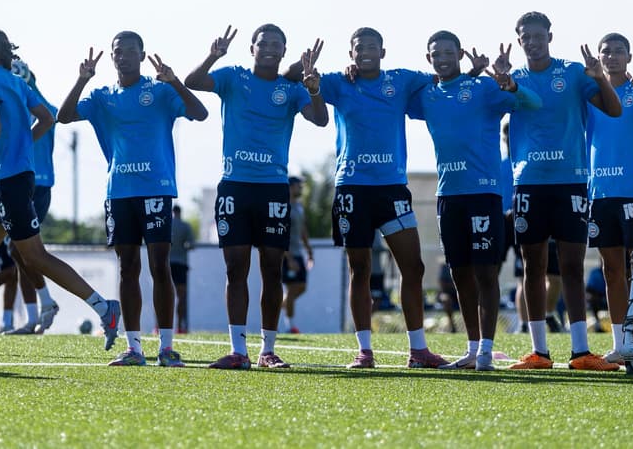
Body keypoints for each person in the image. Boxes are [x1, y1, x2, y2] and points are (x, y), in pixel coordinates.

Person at [291, 27, 473, 369]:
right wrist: (310, 84)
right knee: (360, 269)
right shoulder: (338, 82)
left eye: (372, 47)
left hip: (391, 188)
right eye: (359, 48)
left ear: (383, 52)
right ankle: (364, 350)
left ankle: (418, 350)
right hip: (352, 188)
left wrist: (474, 71)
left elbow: (442, 76)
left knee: (414, 266)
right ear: (351, 54)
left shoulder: (402, 80)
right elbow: (313, 106)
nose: (366, 53)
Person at [0, 29, 120, 355]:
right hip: (6, 180)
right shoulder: (19, 83)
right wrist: (20, 147)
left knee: (34, 256)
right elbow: (48, 118)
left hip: (8, 179)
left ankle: (104, 307)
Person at [58, 30, 208, 367]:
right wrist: (81, 79)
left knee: (159, 266)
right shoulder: (101, 96)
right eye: (117, 51)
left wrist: (175, 82)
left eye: (130, 51)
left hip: (156, 188)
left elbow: (200, 113)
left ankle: (167, 347)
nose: (123, 56)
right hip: (119, 192)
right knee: (127, 268)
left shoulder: (159, 91)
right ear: (111, 57)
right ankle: (134, 347)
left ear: (142, 56)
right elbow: (63, 116)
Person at [184, 24, 328, 370]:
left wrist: (314, 88)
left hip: (273, 189)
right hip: (235, 186)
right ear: (252, 48)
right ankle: (238, 351)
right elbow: (192, 81)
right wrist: (213, 55)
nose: (269, 49)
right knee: (236, 269)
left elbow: (321, 119)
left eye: (276, 45)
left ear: (283, 52)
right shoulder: (233, 77)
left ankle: (268, 350)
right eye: (263, 43)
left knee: (271, 270)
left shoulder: (290, 89)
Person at [407, 30, 542, 371]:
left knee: (486, 274)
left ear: (459, 53)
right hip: (447, 196)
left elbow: (531, 103)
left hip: (483, 195)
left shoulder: (483, 88)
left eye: (449, 52)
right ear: (429, 59)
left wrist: (507, 82)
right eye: (436, 53)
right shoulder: (427, 95)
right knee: (460, 276)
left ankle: (486, 349)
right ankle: (470, 350)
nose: (442, 58)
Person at [505, 12, 623, 371]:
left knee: (571, 267)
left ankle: (581, 351)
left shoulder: (573, 73)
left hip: (570, 181)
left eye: (539, 35)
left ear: (550, 37)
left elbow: (614, 109)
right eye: (527, 36)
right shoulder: (511, 79)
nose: (533, 41)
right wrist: (493, 83)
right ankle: (538, 352)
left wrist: (600, 77)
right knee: (533, 266)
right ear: (519, 39)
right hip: (528, 183)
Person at [585, 32, 633, 364]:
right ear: (598, 58)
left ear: (630, 56)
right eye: (606, 52)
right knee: (612, 270)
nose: (612, 56)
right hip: (600, 193)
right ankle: (621, 343)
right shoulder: (590, 95)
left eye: (618, 51)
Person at [1, 60, 61, 335]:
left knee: (23, 248)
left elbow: (49, 114)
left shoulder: (37, 105)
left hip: (37, 184)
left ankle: (49, 304)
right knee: (16, 251)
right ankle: (37, 312)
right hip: (18, 182)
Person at [281, 176, 314, 334]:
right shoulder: (284, 207)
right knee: (293, 289)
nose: (300, 188)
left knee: (301, 288)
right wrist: (288, 258)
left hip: (298, 253)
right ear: (290, 187)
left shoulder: (299, 206)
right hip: (288, 255)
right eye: (298, 186)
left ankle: (276, 305)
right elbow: (282, 234)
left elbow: (302, 230)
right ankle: (290, 326)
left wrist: (309, 250)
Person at [169, 204, 194, 334]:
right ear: (180, 212)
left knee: (163, 294)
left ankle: (159, 327)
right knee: (181, 296)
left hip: (166, 264)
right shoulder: (185, 226)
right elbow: (191, 245)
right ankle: (179, 326)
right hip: (180, 264)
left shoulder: (166, 224)